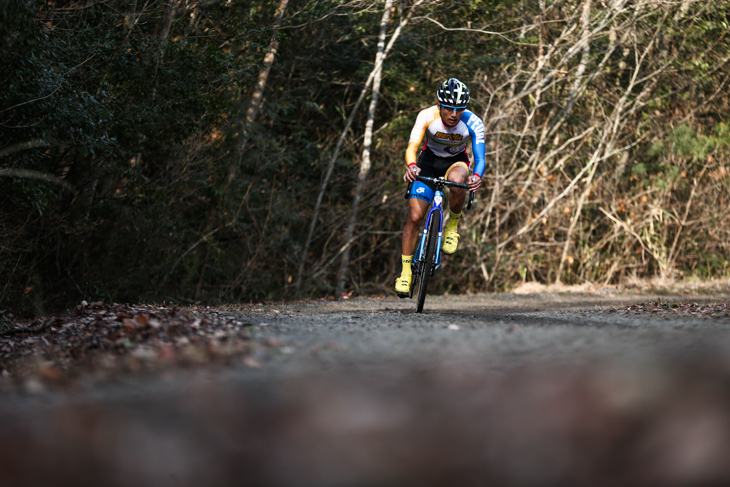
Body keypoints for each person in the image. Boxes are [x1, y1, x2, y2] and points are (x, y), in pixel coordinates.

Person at [395, 78, 486, 297]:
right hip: (427, 163)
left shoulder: (473, 122)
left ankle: (452, 226)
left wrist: (477, 176)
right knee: (415, 218)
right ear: (439, 105)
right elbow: (412, 147)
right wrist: (411, 166)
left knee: (458, 181)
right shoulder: (427, 116)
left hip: (456, 162)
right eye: (449, 108)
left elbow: (480, 158)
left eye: (459, 109)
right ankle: (406, 273)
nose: (454, 114)